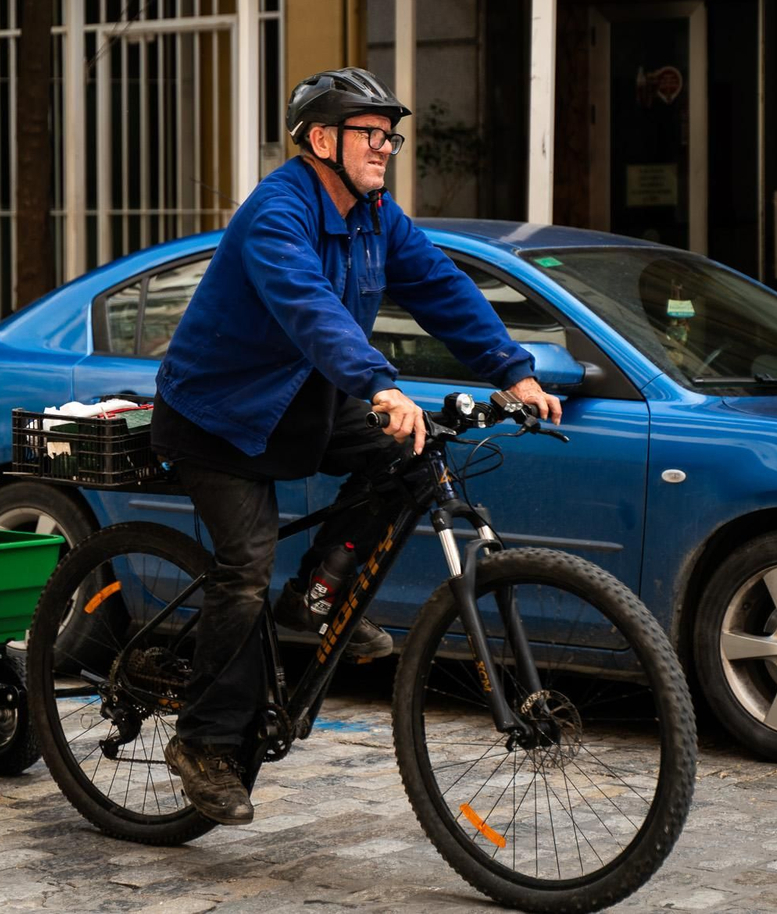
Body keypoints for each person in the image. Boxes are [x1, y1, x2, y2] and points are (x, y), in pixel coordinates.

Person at [150, 67, 562, 825]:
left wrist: (513, 371)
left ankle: (315, 598)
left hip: (301, 402)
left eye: (389, 135)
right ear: (320, 139)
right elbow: (309, 310)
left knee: (408, 456)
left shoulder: (376, 213)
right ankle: (203, 746)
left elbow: (439, 286)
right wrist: (380, 383)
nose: (385, 148)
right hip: (218, 414)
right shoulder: (277, 212)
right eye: (371, 134)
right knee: (243, 566)